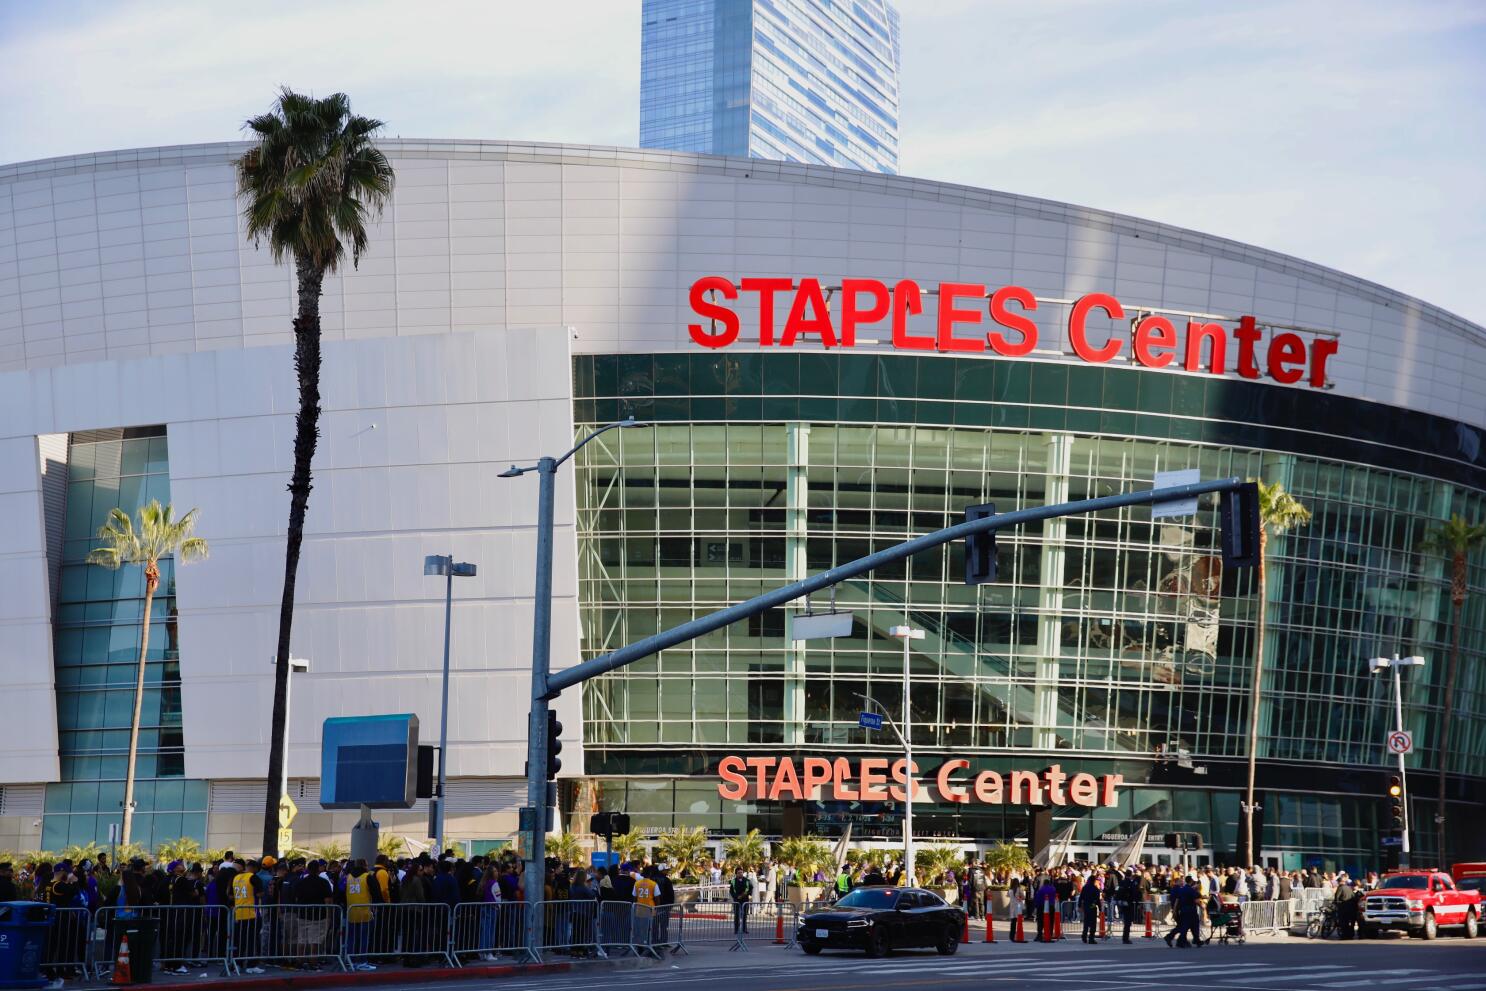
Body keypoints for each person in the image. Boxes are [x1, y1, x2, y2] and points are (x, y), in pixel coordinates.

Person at [1116, 868, 1142, 944]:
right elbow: (1134, 893)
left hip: (1121, 903)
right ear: (1131, 875)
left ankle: (1125, 937)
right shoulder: (1131, 883)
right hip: (1128, 903)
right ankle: (1125, 938)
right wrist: (1137, 903)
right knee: (1128, 922)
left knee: (1125, 920)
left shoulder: (1121, 882)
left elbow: (1117, 890)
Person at [1332, 873, 1358, 940]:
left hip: (1343, 908)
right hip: (1351, 908)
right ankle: (1350, 935)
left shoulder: (1340, 888)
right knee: (1350, 923)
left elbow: (1337, 898)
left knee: (1343, 923)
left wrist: (1336, 903)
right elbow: (1353, 897)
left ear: (1339, 882)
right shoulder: (1348, 888)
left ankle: (1345, 935)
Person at [1078, 873, 1101, 944]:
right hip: (1092, 906)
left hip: (1086, 906)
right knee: (1093, 923)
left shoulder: (1085, 887)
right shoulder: (1095, 888)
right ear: (1094, 881)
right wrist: (1100, 908)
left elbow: (1081, 897)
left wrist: (1079, 906)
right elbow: (1097, 899)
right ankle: (1091, 938)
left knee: (1086, 922)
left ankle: (1084, 936)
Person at [729, 867, 753, 935]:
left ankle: (744, 929)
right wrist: (736, 896)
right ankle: (736, 929)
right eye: (739, 873)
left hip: (745, 900)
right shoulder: (733, 881)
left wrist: (748, 894)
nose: (740, 874)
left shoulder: (747, 881)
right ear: (736, 874)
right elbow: (731, 891)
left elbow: (750, 888)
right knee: (736, 915)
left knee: (744, 915)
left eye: (741, 872)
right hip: (737, 900)